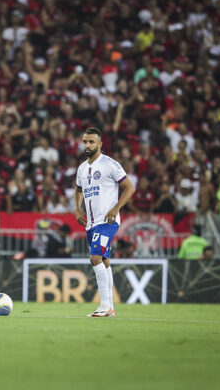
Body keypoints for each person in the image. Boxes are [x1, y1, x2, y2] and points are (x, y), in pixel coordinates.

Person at [74, 127, 135, 318]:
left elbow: (129, 188)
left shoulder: (110, 164)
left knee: (95, 259)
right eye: (85, 141)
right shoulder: (82, 168)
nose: (87, 145)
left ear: (100, 144)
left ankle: (105, 305)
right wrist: (77, 208)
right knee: (105, 261)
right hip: (91, 223)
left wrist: (116, 208)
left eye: (91, 142)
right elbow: (78, 189)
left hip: (107, 221)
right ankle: (110, 309)